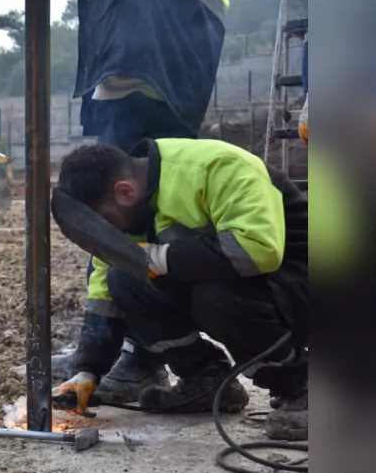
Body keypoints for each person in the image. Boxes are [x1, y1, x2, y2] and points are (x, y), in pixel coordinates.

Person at [53, 138, 308, 440]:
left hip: (304, 281)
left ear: (124, 192)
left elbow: (259, 249)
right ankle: (205, 376)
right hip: (251, 285)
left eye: (106, 222)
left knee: (215, 297)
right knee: (125, 280)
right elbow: (103, 300)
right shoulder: (129, 208)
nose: (109, 234)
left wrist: (160, 258)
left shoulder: (216, 168)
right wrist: (88, 371)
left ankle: (300, 388)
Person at [57, 0, 230, 403]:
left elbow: (115, 250)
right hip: (137, 63)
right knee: (120, 234)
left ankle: (141, 353)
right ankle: (135, 350)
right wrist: (90, 362)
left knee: (123, 229)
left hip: (148, 62)